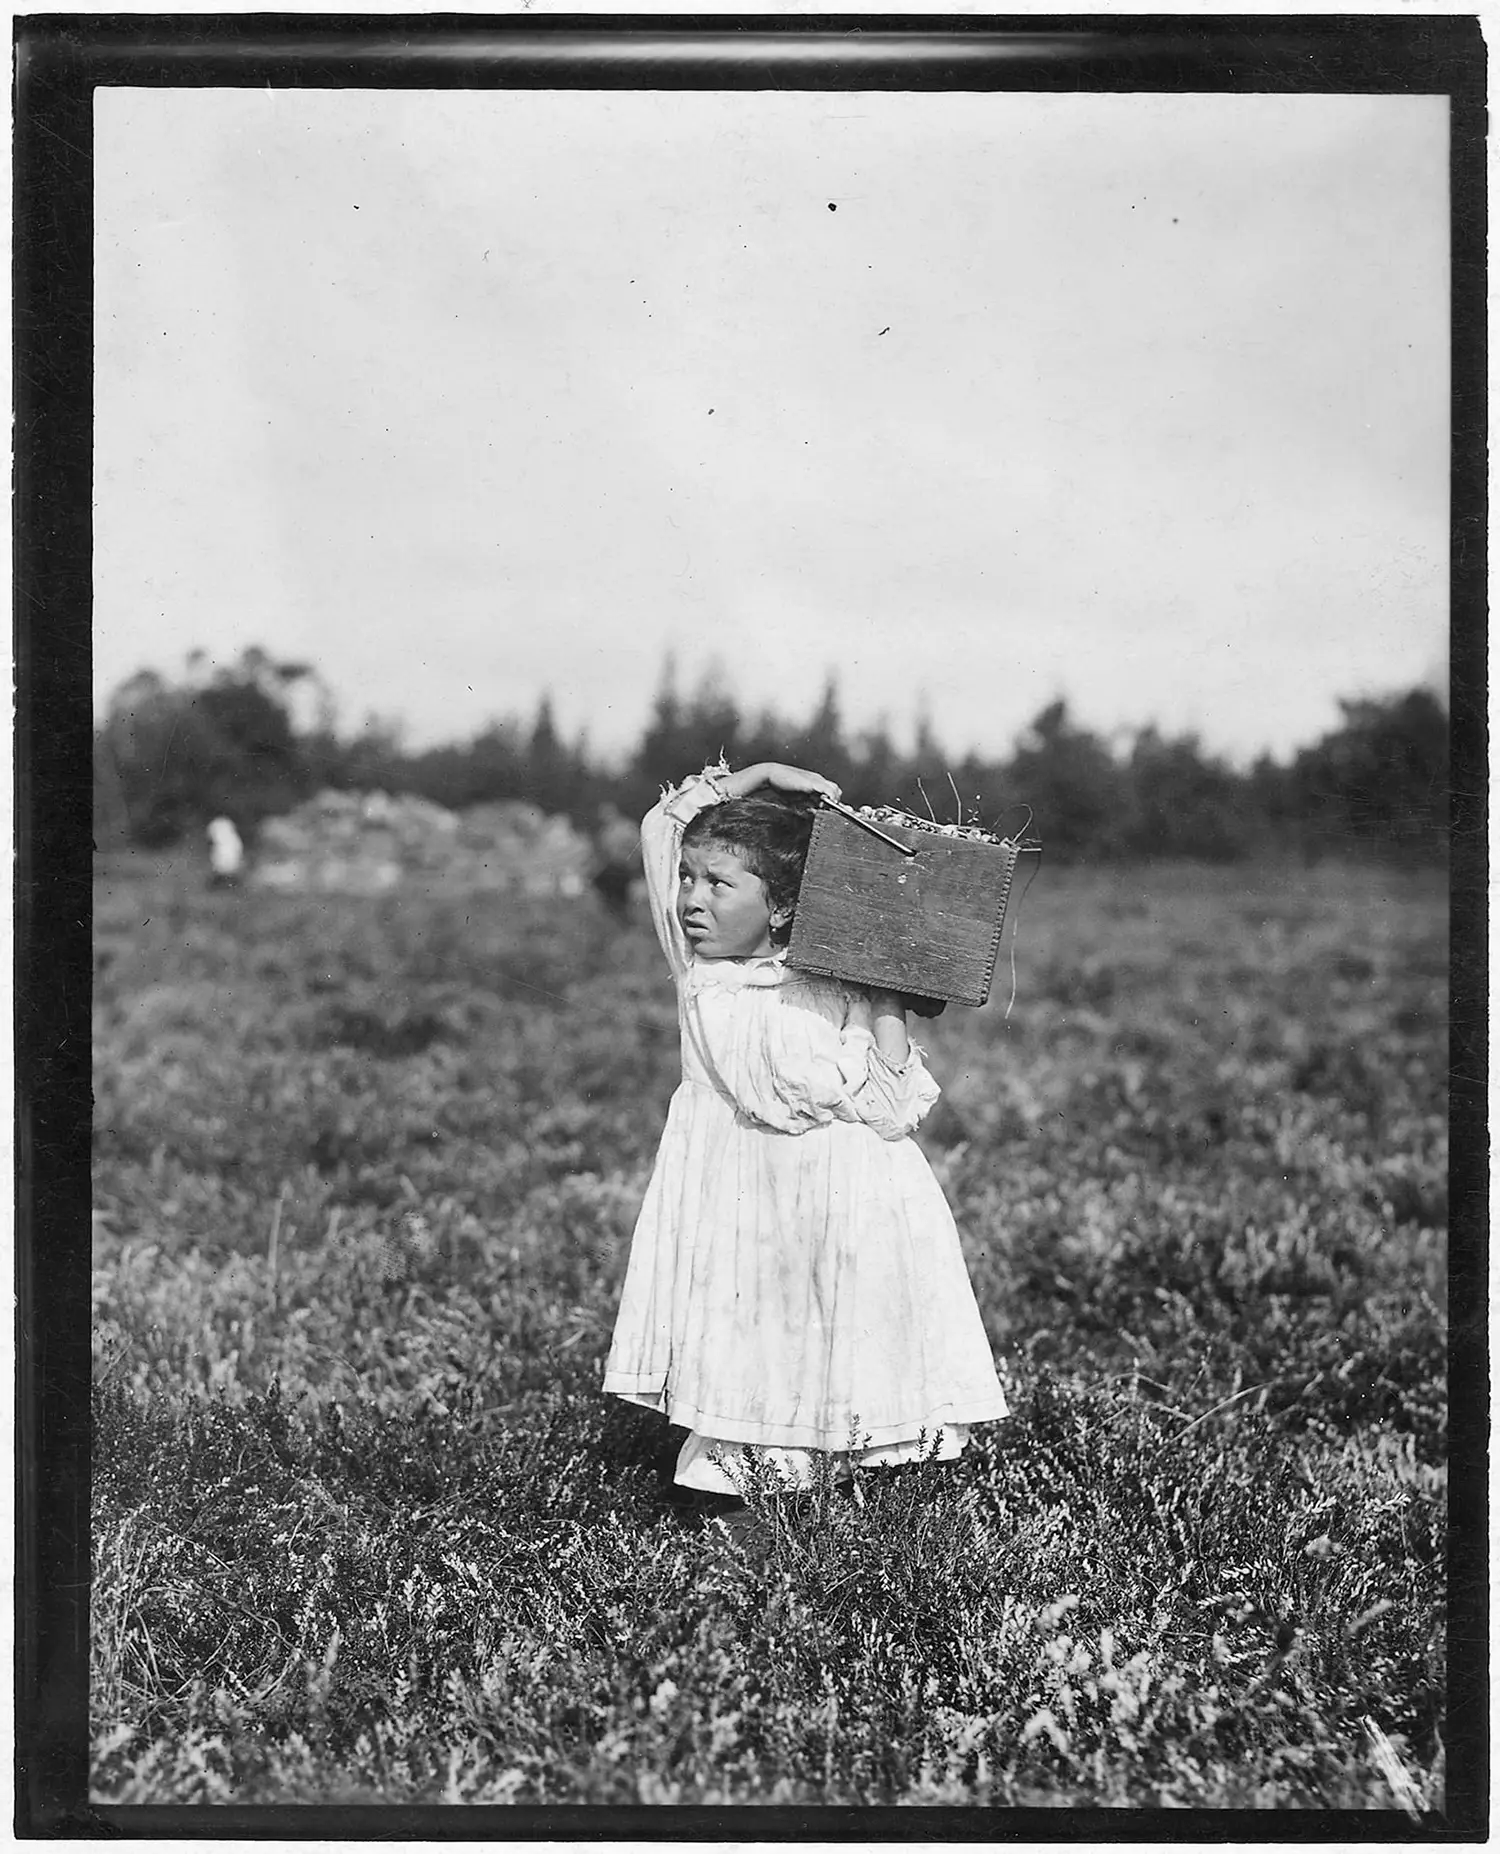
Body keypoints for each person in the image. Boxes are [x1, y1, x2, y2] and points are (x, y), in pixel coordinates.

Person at [602, 759, 1008, 1509]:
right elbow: (662, 827)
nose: (692, 897)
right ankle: (740, 1502)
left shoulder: (834, 984)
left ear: (783, 908)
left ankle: (876, 1504)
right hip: (742, 1203)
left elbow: (892, 1111)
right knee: (753, 1344)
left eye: (719, 885)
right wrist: (758, 776)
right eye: (690, 879)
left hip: (850, 1203)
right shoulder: (698, 970)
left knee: (852, 1344)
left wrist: (886, 992)